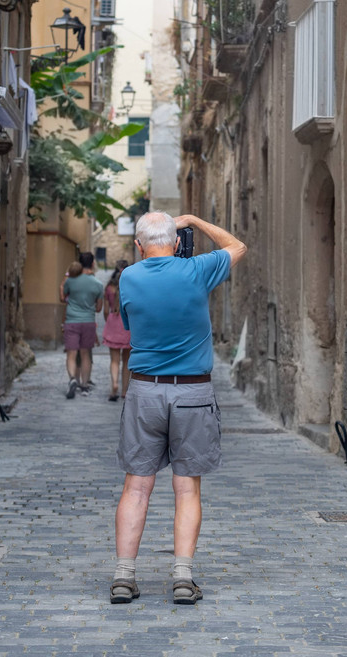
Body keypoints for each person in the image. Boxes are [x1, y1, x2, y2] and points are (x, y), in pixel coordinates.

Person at [110, 211, 246, 606]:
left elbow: (134, 325)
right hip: (192, 394)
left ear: (138, 246)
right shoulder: (197, 271)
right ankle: (183, 578)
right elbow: (237, 246)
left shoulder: (129, 278)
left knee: (136, 487)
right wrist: (195, 221)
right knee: (186, 488)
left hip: (144, 393)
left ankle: (123, 577)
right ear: (175, 241)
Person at [60, 251, 103, 399]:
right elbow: (98, 308)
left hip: (72, 321)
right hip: (88, 322)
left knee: (71, 354)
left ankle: (72, 379)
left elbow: (62, 297)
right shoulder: (98, 284)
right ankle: (84, 385)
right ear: (92, 264)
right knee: (85, 354)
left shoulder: (71, 281)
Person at [102, 259, 131, 401]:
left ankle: (114, 385)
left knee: (114, 360)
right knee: (127, 362)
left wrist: (109, 320)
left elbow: (106, 310)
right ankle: (125, 390)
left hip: (113, 322)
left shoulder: (109, 287)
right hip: (127, 325)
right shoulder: (131, 287)